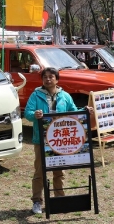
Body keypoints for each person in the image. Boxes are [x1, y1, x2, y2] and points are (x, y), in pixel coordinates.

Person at [24, 67, 91, 215]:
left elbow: (73, 112)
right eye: (45, 77)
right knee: (40, 171)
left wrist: (84, 109)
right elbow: (27, 113)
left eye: (51, 77)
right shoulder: (36, 95)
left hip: (61, 140)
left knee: (59, 170)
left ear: (57, 79)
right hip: (41, 139)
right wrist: (34, 114)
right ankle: (37, 201)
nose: (48, 79)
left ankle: (60, 200)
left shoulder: (65, 96)